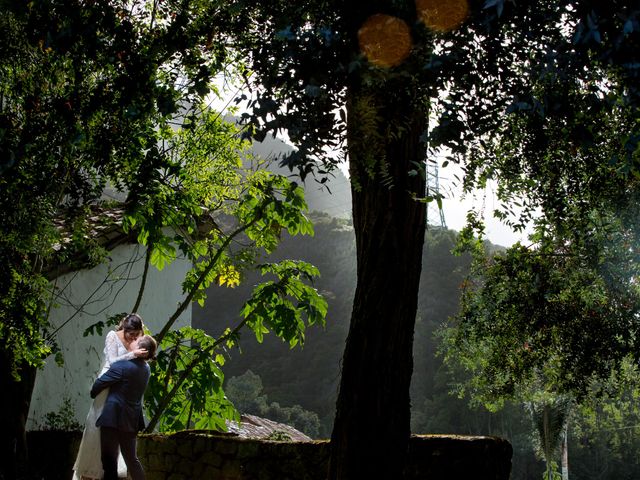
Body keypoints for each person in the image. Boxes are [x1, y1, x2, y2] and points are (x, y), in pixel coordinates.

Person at [73, 313, 147, 480]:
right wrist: (132, 354)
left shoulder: (137, 343)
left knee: (116, 436)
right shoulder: (112, 336)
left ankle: (107, 471)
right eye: (131, 335)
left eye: (137, 335)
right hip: (109, 381)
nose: (134, 338)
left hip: (123, 387)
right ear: (124, 329)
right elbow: (113, 361)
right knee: (97, 427)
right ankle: (90, 471)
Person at [91, 335, 157, 480]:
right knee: (132, 460)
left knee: (109, 461)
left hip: (113, 418)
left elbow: (97, 387)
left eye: (135, 342)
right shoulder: (146, 369)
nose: (131, 342)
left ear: (139, 349)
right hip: (131, 420)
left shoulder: (122, 366)